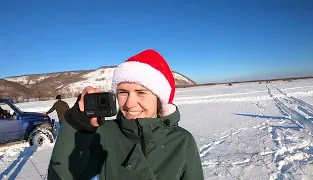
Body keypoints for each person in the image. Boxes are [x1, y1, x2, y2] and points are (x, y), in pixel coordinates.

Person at [48, 49, 204, 180]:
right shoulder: (103, 134)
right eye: (123, 92)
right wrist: (76, 125)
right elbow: (62, 174)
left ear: (159, 98)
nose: (129, 103)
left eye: (141, 92)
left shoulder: (182, 141)